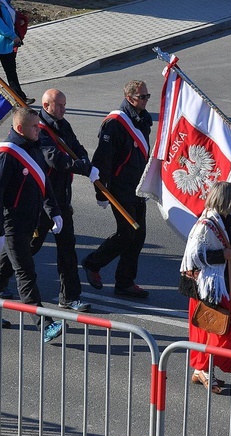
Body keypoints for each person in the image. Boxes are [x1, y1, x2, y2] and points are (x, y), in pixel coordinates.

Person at [0, 107, 63, 343]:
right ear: (19, 128)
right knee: (25, 273)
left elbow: (43, 182)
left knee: (3, 268)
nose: (39, 129)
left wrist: (53, 211)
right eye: (34, 126)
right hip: (12, 223)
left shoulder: (33, 146)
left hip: (29, 221)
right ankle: (44, 325)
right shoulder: (5, 155)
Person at [180, 182, 231, 393]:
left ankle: (202, 369)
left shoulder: (229, 221)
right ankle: (204, 370)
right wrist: (222, 256)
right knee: (214, 333)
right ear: (225, 199)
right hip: (211, 289)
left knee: (222, 332)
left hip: (227, 286)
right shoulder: (205, 225)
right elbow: (194, 256)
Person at [30, 89, 100, 312]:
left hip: (62, 197)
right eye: (59, 105)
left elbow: (77, 147)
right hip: (43, 201)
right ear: (46, 105)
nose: (63, 109)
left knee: (67, 248)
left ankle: (69, 297)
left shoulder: (63, 124)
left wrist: (85, 162)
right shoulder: (39, 130)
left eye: (64, 105)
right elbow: (54, 159)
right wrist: (82, 167)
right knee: (28, 246)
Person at [81, 80, 152, 298]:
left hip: (137, 186)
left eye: (147, 96)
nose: (146, 100)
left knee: (138, 236)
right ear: (130, 98)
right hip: (120, 188)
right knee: (126, 233)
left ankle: (125, 282)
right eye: (143, 97)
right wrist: (101, 192)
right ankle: (93, 263)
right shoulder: (115, 123)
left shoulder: (143, 119)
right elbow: (103, 160)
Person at [0, 0, 34, 104]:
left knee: (11, 72)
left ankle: (20, 98)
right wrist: (13, 36)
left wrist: (19, 20)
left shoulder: (4, 1)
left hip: (5, 44)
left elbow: (9, 17)